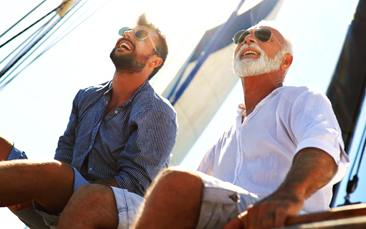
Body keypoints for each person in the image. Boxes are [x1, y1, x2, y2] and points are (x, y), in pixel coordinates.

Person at [57, 21, 349, 229]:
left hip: (289, 220)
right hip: (222, 218)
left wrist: (289, 196)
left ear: (285, 61)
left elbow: (324, 148)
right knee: (91, 202)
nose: (248, 39)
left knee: (175, 182)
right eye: (241, 36)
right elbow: (194, 184)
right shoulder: (225, 137)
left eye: (262, 35)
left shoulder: (301, 99)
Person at [0, 13, 177, 229]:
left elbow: (134, 185)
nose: (128, 33)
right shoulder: (85, 97)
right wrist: (41, 192)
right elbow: (64, 155)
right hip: (56, 206)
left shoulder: (158, 112)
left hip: (101, 214)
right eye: (126, 30)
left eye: (140, 34)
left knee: (54, 174)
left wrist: (43, 188)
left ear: (154, 61)